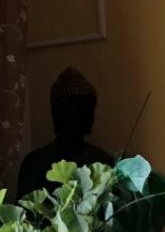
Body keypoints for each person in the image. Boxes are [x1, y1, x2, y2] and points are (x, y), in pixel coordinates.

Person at [16, 67, 113, 200]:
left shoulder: (102, 161)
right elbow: (25, 209)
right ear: (59, 113)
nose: (87, 116)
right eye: (79, 109)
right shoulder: (35, 163)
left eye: (90, 109)